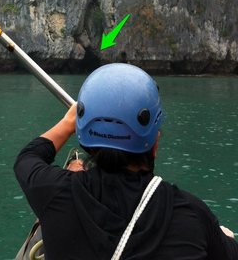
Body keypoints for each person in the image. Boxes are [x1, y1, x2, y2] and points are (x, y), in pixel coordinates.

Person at [14, 63, 238, 259]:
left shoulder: (54, 191)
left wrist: (69, 122)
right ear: (155, 142)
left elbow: (28, 157)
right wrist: (221, 237)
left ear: (85, 139)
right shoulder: (193, 218)